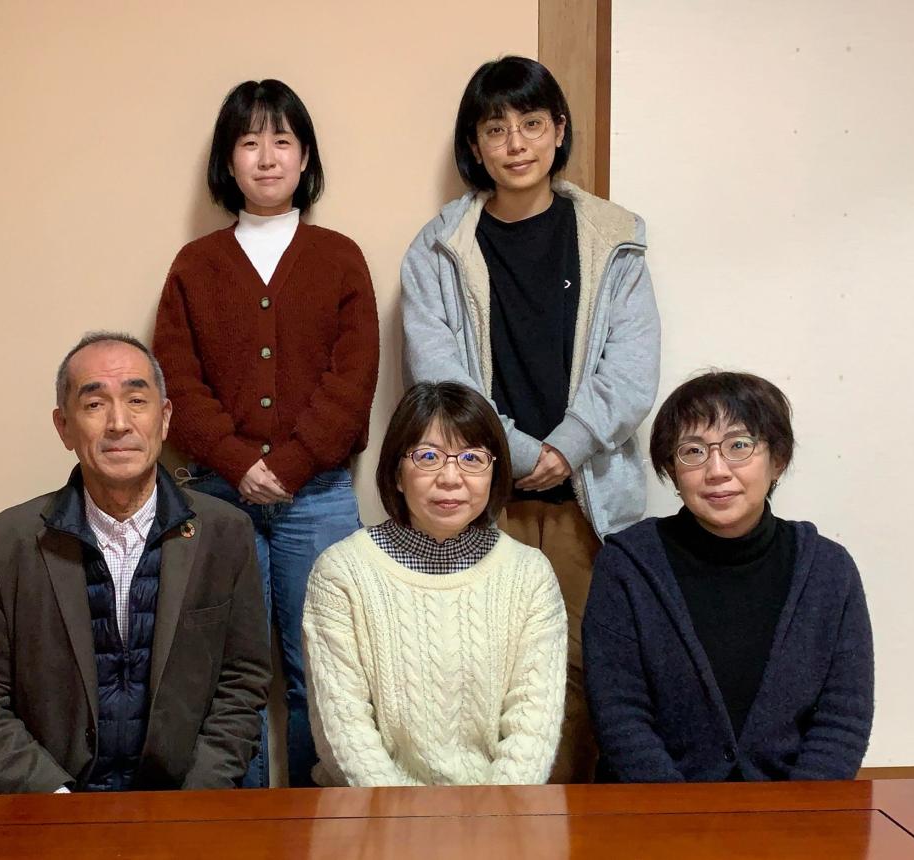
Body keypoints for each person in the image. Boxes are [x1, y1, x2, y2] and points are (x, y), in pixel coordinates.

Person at [400, 55, 660, 782]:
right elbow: (438, 370)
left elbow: (631, 369)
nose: (515, 143)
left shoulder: (614, 238)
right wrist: (516, 453)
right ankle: (482, 821)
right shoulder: (438, 248)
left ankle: (565, 819)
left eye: (531, 124)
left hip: (587, 499)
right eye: (495, 128)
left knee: (581, 671)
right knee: (476, 671)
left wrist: (566, 448)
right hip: (484, 496)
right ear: (474, 144)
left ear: (559, 131)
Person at [152, 79, 379, 787]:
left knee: (324, 671)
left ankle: (322, 820)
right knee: (231, 675)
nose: (267, 157)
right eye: (249, 142)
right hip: (218, 497)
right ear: (229, 160)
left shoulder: (339, 257)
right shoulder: (195, 265)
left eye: (282, 140)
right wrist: (236, 461)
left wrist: (291, 464)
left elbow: (354, 378)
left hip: (318, 498)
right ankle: (242, 823)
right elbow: (175, 378)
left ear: (305, 156)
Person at [0, 333, 271, 793]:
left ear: (165, 418)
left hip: (182, 802)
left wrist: (196, 798)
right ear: (64, 426)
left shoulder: (226, 534)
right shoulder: (2, 545)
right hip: (51, 805)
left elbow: (243, 682)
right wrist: (56, 801)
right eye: (95, 404)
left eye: (137, 401)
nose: (119, 423)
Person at [583, 370, 874, 782]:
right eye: (693, 451)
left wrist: (800, 812)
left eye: (739, 446)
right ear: (672, 470)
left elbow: (842, 719)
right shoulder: (628, 565)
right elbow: (619, 716)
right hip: (654, 810)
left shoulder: (829, 570)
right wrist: (679, 815)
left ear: (778, 461)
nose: (717, 470)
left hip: (796, 811)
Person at [303, 382, 567, 786]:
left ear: (494, 473)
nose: (450, 477)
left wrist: (491, 815)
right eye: (428, 457)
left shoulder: (530, 575)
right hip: (373, 811)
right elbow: (345, 732)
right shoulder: (341, 573)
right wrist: (405, 817)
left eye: (472, 458)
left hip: (497, 811)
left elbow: (532, 729)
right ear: (397, 473)